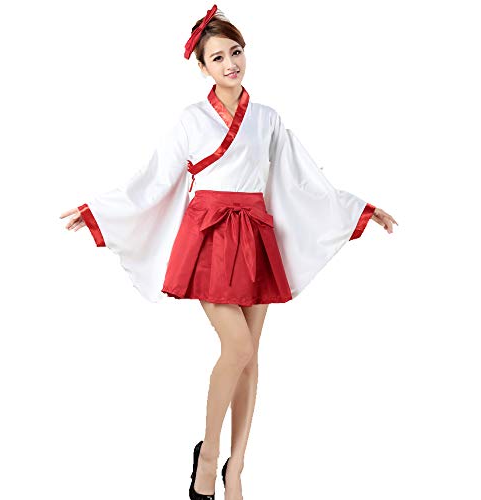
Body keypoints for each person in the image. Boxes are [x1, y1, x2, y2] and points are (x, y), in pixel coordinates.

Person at [60, 5, 397, 500]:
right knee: (237, 347)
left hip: (256, 233)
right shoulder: (191, 119)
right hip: (210, 234)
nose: (230, 64)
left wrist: (356, 208)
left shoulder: (267, 118)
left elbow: (303, 177)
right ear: (202, 67)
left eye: (235, 52)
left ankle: (235, 469)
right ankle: (209, 454)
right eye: (217, 57)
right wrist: (100, 211)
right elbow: (153, 177)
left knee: (251, 356)